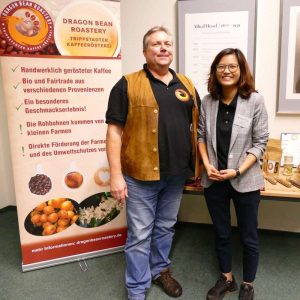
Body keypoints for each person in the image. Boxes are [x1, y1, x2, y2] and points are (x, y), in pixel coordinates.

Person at [105, 26, 200, 300]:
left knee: (166, 227)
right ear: (145, 51)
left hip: (176, 176)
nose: (163, 48)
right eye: (156, 44)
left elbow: (197, 127)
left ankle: (160, 270)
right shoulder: (127, 83)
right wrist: (115, 176)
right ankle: (136, 289)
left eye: (167, 43)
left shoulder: (186, 84)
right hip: (140, 177)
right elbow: (114, 131)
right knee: (139, 236)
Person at [197, 48, 269, 300]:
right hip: (214, 179)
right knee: (221, 231)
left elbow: (260, 143)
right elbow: (200, 137)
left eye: (232, 66)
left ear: (241, 71)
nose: (226, 71)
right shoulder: (207, 101)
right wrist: (207, 166)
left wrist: (237, 170)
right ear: (215, 72)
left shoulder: (255, 101)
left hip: (245, 180)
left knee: (249, 235)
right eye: (221, 67)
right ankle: (226, 279)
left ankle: (248, 283)